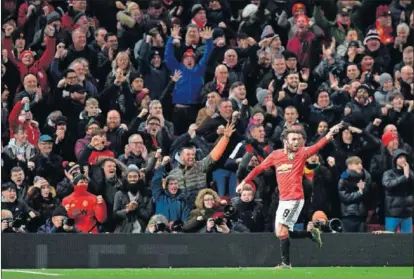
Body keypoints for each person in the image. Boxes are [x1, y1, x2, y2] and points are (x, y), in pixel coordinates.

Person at [236, 122, 343, 268]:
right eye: (293, 139)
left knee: (282, 230)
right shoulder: (276, 155)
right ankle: (310, 234)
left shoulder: (302, 153)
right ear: (285, 141)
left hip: (295, 199)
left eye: (299, 139)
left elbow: (318, 145)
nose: (297, 142)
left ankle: (286, 264)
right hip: (283, 200)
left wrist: (330, 134)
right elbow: (259, 168)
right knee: (282, 233)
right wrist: (244, 182)